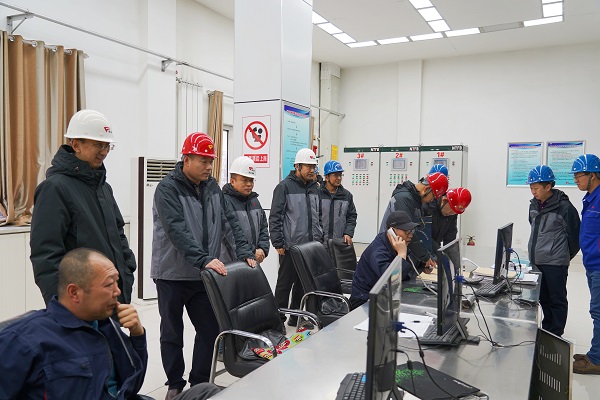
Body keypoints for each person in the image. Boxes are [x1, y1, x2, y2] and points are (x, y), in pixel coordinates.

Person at [0, 248, 219, 400]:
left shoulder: (105, 325)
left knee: (207, 391)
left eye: (117, 282)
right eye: (109, 285)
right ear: (74, 292)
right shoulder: (23, 339)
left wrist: (137, 336)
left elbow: (132, 384)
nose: (117, 291)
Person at [151, 132, 255, 398]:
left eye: (211, 161)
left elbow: (229, 222)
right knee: (172, 332)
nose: (209, 167)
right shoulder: (167, 189)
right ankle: (175, 383)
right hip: (172, 274)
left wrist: (244, 251)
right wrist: (204, 259)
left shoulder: (212, 188)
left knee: (210, 330)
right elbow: (176, 230)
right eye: (203, 161)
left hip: (202, 275)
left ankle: (198, 382)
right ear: (186, 159)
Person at [30, 109, 137, 305]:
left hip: (113, 295)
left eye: (107, 145)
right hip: (80, 303)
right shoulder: (54, 188)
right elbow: (46, 255)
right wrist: (62, 305)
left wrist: (127, 273)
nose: (104, 151)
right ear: (76, 145)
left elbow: (118, 234)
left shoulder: (104, 188)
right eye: (98, 144)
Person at [270, 148, 323, 326]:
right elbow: (275, 216)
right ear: (297, 166)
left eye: (313, 167)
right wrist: (278, 242)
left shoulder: (315, 188)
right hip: (290, 246)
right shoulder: (284, 187)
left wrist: (319, 238)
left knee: (302, 284)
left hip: (309, 247)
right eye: (308, 166)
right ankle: (277, 321)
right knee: (284, 285)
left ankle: (296, 317)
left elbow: (318, 215)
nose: (311, 170)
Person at [527, 165, 580, 337]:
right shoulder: (533, 205)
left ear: (548, 186)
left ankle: (555, 335)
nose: (533, 192)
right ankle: (546, 330)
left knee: (557, 300)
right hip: (537, 261)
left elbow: (575, 238)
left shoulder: (565, 208)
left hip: (555, 264)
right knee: (543, 299)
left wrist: (561, 256)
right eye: (531, 188)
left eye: (536, 188)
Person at [379, 172, 448, 273]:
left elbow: (420, 232)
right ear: (426, 189)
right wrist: (425, 257)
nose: (431, 200)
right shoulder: (404, 199)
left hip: (401, 249)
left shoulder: (415, 201)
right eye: (433, 197)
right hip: (388, 251)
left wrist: (434, 255)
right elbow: (407, 232)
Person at [349, 211, 418, 309]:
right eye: (407, 231)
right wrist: (401, 254)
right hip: (363, 301)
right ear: (392, 231)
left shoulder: (394, 243)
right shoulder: (378, 251)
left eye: (411, 231)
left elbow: (411, 264)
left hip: (382, 296)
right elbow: (392, 279)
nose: (410, 235)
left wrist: (423, 264)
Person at [571, 154, 600, 374]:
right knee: (596, 311)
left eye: (579, 176)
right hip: (591, 264)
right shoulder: (590, 198)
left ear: (593, 175)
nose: (576, 180)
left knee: (598, 312)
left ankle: (596, 359)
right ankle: (595, 352)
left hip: (599, 265)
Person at [220, 156, 270, 264]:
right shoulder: (224, 202)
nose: (249, 184)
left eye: (251, 180)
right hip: (230, 263)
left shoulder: (254, 201)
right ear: (232, 181)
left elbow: (263, 227)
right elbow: (230, 234)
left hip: (251, 261)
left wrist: (262, 248)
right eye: (244, 180)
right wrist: (252, 251)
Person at [320, 160, 358, 247]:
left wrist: (348, 233)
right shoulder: (317, 194)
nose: (339, 178)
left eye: (340, 175)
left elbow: (352, 216)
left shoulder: (347, 195)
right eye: (336, 175)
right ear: (326, 177)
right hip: (320, 243)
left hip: (339, 242)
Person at [431, 187, 472, 252]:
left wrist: (451, 255)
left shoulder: (452, 214)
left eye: (455, 212)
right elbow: (424, 236)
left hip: (434, 249)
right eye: (451, 209)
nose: (452, 213)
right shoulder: (429, 207)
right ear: (444, 200)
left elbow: (450, 237)